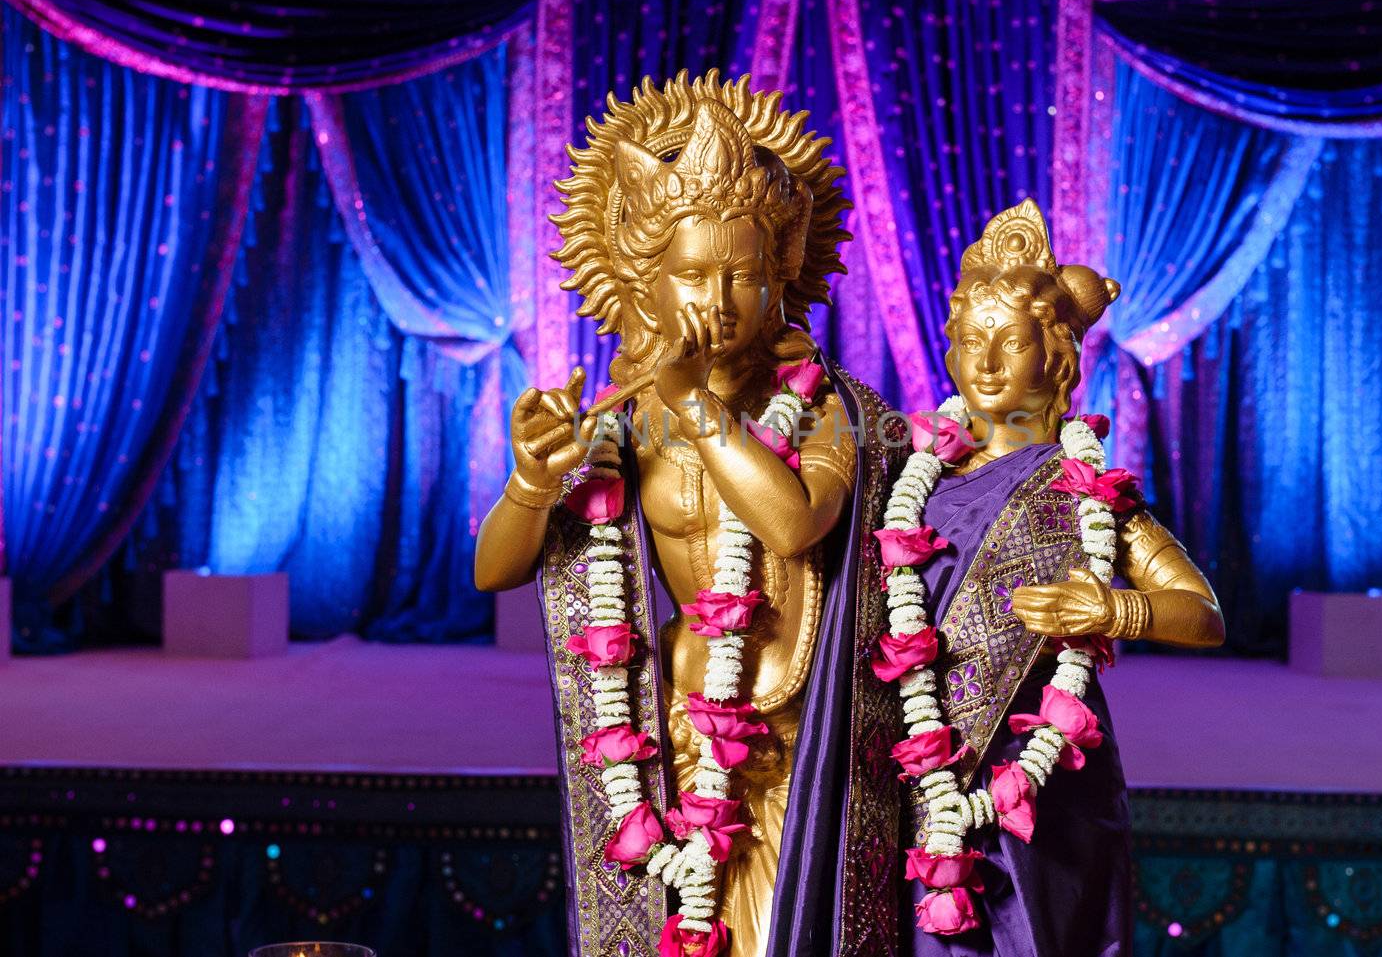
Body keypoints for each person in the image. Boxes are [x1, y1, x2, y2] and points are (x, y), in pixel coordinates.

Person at [475, 71, 905, 957]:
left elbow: (792, 524)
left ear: (783, 276)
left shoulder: (827, 411)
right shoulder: (626, 428)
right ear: (646, 283)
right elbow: (496, 569)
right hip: (679, 736)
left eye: (744, 275)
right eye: (693, 274)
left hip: (805, 734)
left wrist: (704, 412)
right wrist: (527, 479)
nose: (718, 301)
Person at [875, 200, 1225, 955]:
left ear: (1056, 353)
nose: (985, 363)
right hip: (913, 774)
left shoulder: (1087, 495)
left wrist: (1110, 606)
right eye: (969, 341)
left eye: (1009, 342)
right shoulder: (910, 479)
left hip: (1042, 789)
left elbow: (1202, 611)